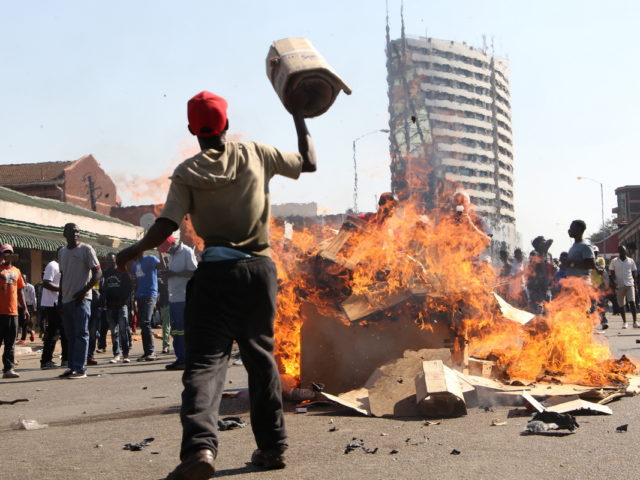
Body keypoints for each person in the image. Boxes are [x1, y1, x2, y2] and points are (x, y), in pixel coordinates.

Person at [117, 89, 316, 478]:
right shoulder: (257, 153)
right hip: (259, 272)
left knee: (206, 365)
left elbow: (167, 224)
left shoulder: (188, 172)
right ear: (226, 124)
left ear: (193, 129)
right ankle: (273, 447)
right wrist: (298, 114)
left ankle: (200, 451)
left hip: (214, 276)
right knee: (261, 361)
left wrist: (133, 251)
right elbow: (308, 162)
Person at [58, 223, 101, 379]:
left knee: (81, 333)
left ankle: (80, 368)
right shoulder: (62, 252)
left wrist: (84, 292)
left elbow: (98, 272)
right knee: (70, 336)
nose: (75, 233)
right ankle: (72, 367)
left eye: (77, 231)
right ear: (65, 234)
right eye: (71, 231)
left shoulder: (86, 249)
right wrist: (60, 299)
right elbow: (63, 276)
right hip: (67, 300)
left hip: (82, 300)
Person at [160, 236, 198, 370]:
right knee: (176, 331)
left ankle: (186, 359)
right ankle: (180, 358)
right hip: (173, 297)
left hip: (184, 297)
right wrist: (166, 275)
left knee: (182, 330)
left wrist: (174, 274)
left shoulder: (187, 252)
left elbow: (194, 273)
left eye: (167, 250)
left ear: (173, 244)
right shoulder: (172, 255)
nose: (167, 253)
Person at [0, 244, 29, 379]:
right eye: (5, 252)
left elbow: (20, 290)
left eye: (9, 252)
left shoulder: (17, 271)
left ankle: (9, 369)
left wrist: (25, 308)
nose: (7, 255)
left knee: (10, 343)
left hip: (13, 312)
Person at [101, 252, 133, 363]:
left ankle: (126, 354)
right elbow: (103, 288)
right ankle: (116, 354)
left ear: (116, 260)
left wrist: (124, 302)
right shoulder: (105, 273)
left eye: (112, 260)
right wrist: (104, 301)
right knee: (114, 332)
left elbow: (129, 288)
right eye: (108, 260)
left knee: (123, 331)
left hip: (121, 306)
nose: (110, 262)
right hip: (110, 306)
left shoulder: (123, 271)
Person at [131, 253, 160, 361]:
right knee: (142, 324)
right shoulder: (135, 264)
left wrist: (160, 252)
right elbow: (136, 281)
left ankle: (151, 352)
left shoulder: (151, 259)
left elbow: (162, 267)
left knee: (146, 322)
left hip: (150, 294)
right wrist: (134, 298)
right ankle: (147, 352)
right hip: (139, 295)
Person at [40, 249, 67, 369]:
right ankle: (48, 361)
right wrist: (62, 289)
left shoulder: (62, 266)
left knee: (59, 332)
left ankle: (60, 359)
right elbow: (46, 283)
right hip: (53, 304)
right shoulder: (52, 265)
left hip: (59, 303)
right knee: (56, 333)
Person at [609, 245, 637, 329]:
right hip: (619, 285)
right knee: (621, 305)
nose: (622, 252)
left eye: (623, 251)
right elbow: (611, 272)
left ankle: (635, 322)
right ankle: (625, 322)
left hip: (629, 284)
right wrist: (614, 283)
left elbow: (633, 272)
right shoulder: (614, 261)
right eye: (620, 251)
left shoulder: (631, 261)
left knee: (632, 302)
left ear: (625, 251)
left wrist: (634, 283)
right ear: (618, 251)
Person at [526, 236, 555, 314]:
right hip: (536, 288)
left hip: (546, 287)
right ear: (537, 245)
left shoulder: (549, 255)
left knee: (547, 311)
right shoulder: (534, 253)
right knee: (537, 311)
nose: (545, 242)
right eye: (542, 241)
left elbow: (551, 240)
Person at [17, 274, 37, 344]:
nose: (22, 279)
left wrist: (34, 308)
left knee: (25, 322)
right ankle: (31, 331)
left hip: (28, 306)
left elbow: (34, 297)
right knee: (19, 323)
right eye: (21, 278)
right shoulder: (18, 287)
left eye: (24, 278)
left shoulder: (31, 287)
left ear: (26, 279)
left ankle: (23, 338)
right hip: (19, 306)